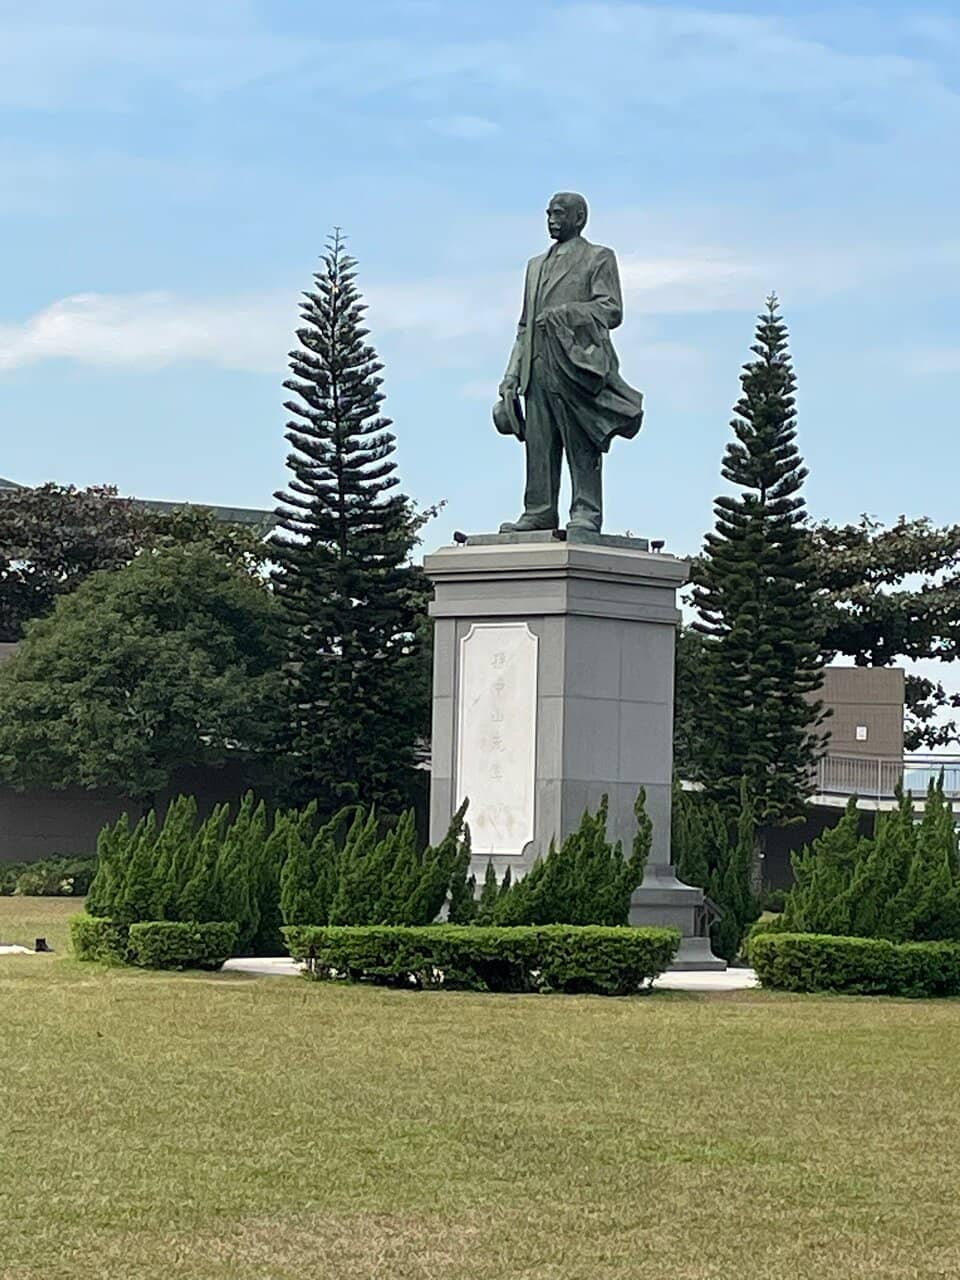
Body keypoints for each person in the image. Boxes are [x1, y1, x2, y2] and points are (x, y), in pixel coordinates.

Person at [496, 192, 643, 534]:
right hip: (537, 365)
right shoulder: (535, 266)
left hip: (576, 365)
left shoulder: (598, 257)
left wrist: (566, 314)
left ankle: (586, 511)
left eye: (559, 213)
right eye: (548, 213)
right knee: (539, 443)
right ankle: (539, 510)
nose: (551, 219)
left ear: (579, 218)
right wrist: (511, 375)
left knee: (581, 440)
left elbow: (610, 309)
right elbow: (524, 326)